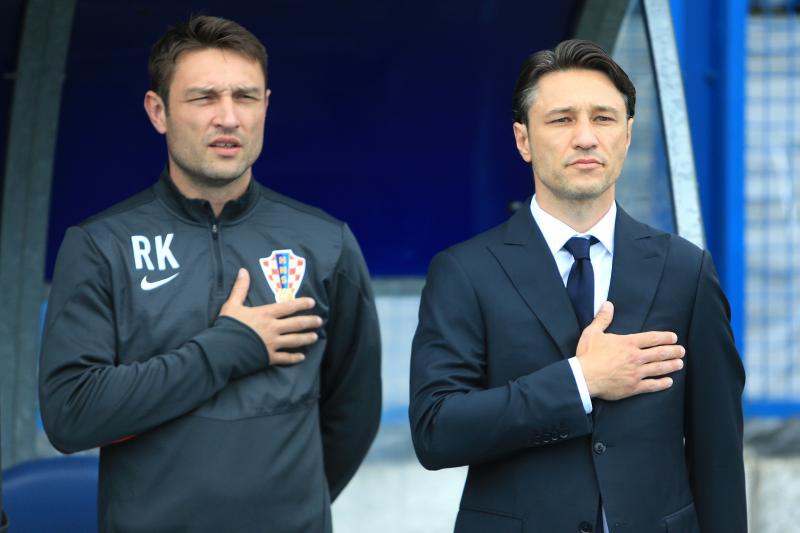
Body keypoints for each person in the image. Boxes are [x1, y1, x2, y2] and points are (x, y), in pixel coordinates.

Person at [39, 15, 381, 532]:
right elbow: (71, 414)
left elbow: (353, 412)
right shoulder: (101, 245)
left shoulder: (325, 242)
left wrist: (291, 507)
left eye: (245, 97)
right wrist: (229, 347)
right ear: (158, 111)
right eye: (204, 98)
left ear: (266, 105)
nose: (229, 117)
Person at [409, 39, 746, 533]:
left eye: (603, 119)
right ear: (523, 140)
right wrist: (580, 381)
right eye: (562, 119)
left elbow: (718, 450)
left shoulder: (685, 269)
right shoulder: (465, 271)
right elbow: (436, 431)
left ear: (627, 135)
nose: (586, 137)